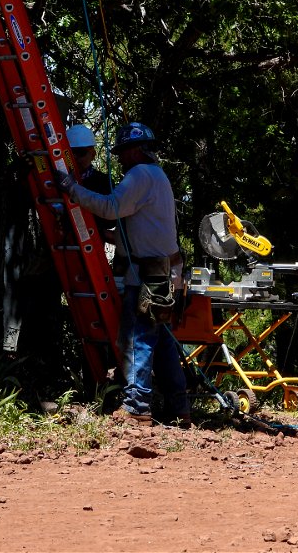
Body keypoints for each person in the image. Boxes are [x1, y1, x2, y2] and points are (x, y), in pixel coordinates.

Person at [57, 121, 190, 427]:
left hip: (147, 275)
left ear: (134, 151)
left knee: (137, 338)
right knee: (164, 342)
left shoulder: (140, 175)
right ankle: (179, 407)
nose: (119, 158)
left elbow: (109, 207)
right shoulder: (157, 176)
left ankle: (137, 406)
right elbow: (135, 225)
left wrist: (72, 190)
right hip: (163, 271)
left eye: (122, 152)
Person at [65, 124, 115, 239]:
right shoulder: (55, 178)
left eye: (81, 152)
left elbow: (111, 220)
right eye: (71, 153)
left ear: (93, 155)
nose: (75, 157)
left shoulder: (103, 182)